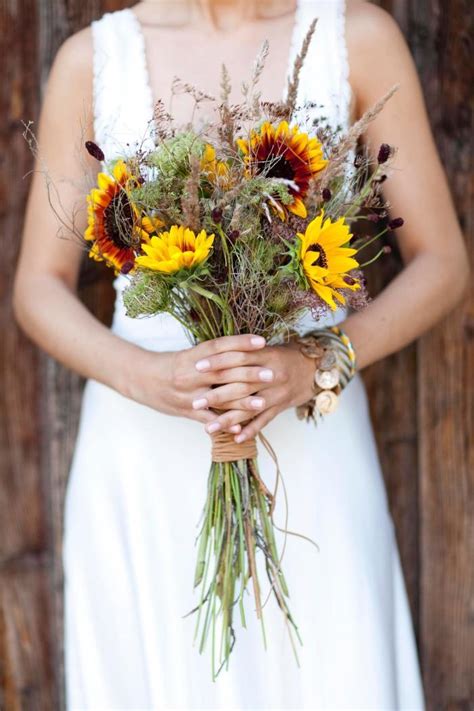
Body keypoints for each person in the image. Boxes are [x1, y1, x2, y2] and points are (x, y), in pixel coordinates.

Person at [13, 0, 468, 708]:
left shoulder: (355, 39)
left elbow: (444, 263)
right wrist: (150, 376)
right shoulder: (93, 61)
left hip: (311, 453)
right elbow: (37, 289)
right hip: (142, 455)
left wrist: (318, 361)